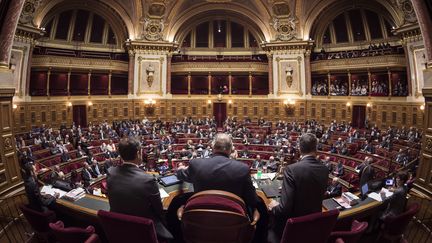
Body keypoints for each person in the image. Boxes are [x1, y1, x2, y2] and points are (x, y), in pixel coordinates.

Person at [106, 137, 172, 240]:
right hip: (142, 231)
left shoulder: (110, 172)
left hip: (118, 230)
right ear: (138, 153)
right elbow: (159, 211)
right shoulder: (148, 180)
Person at [267, 133, 329, 243]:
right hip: (314, 225)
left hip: (293, 228)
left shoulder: (292, 169)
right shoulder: (324, 169)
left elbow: (284, 209)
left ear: (299, 149)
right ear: (316, 149)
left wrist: (274, 207)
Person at [177, 133, 258, 208]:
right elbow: (252, 199)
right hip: (232, 218)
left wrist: (180, 169)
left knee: (176, 201)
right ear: (230, 149)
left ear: (213, 147)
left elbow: (181, 175)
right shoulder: (242, 169)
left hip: (201, 215)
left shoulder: (196, 164)